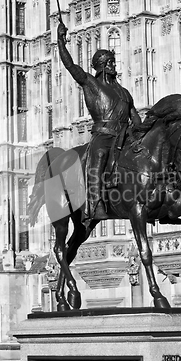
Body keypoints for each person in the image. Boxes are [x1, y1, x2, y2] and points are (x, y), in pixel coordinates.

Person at [57, 21, 145, 221]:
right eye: (111, 63)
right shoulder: (92, 84)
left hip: (124, 137)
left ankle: (159, 199)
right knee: (98, 156)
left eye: (114, 62)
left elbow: (136, 119)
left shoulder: (124, 92)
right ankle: (95, 203)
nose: (115, 66)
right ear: (103, 66)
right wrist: (61, 41)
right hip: (104, 136)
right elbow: (71, 66)